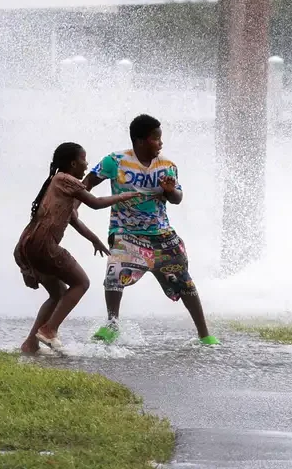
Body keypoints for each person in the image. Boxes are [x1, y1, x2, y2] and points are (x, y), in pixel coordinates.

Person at [83, 114, 220, 346]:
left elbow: (177, 199)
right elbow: (86, 184)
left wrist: (169, 190)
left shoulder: (167, 166)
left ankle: (204, 335)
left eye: (160, 138)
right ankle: (112, 325)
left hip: (161, 236)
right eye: (156, 138)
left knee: (185, 282)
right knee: (114, 272)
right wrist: (71, 206)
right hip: (126, 232)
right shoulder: (114, 161)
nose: (161, 143)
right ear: (140, 141)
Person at [15, 142, 141, 354]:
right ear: (73, 163)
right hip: (44, 245)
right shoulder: (66, 179)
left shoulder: (56, 183)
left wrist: (94, 240)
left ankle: (31, 343)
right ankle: (49, 330)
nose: (86, 164)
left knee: (57, 294)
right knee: (81, 282)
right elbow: (96, 202)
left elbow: (73, 219)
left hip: (27, 245)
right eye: (83, 160)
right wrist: (122, 196)